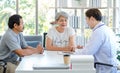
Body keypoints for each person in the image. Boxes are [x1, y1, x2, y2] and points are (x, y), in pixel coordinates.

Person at [76, 8, 118, 73]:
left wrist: (73, 52)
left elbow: (87, 53)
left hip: (104, 68)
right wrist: (83, 49)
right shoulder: (106, 29)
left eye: (86, 19)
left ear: (92, 18)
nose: (86, 22)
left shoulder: (98, 32)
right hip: (109, 66)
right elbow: (94, 48)